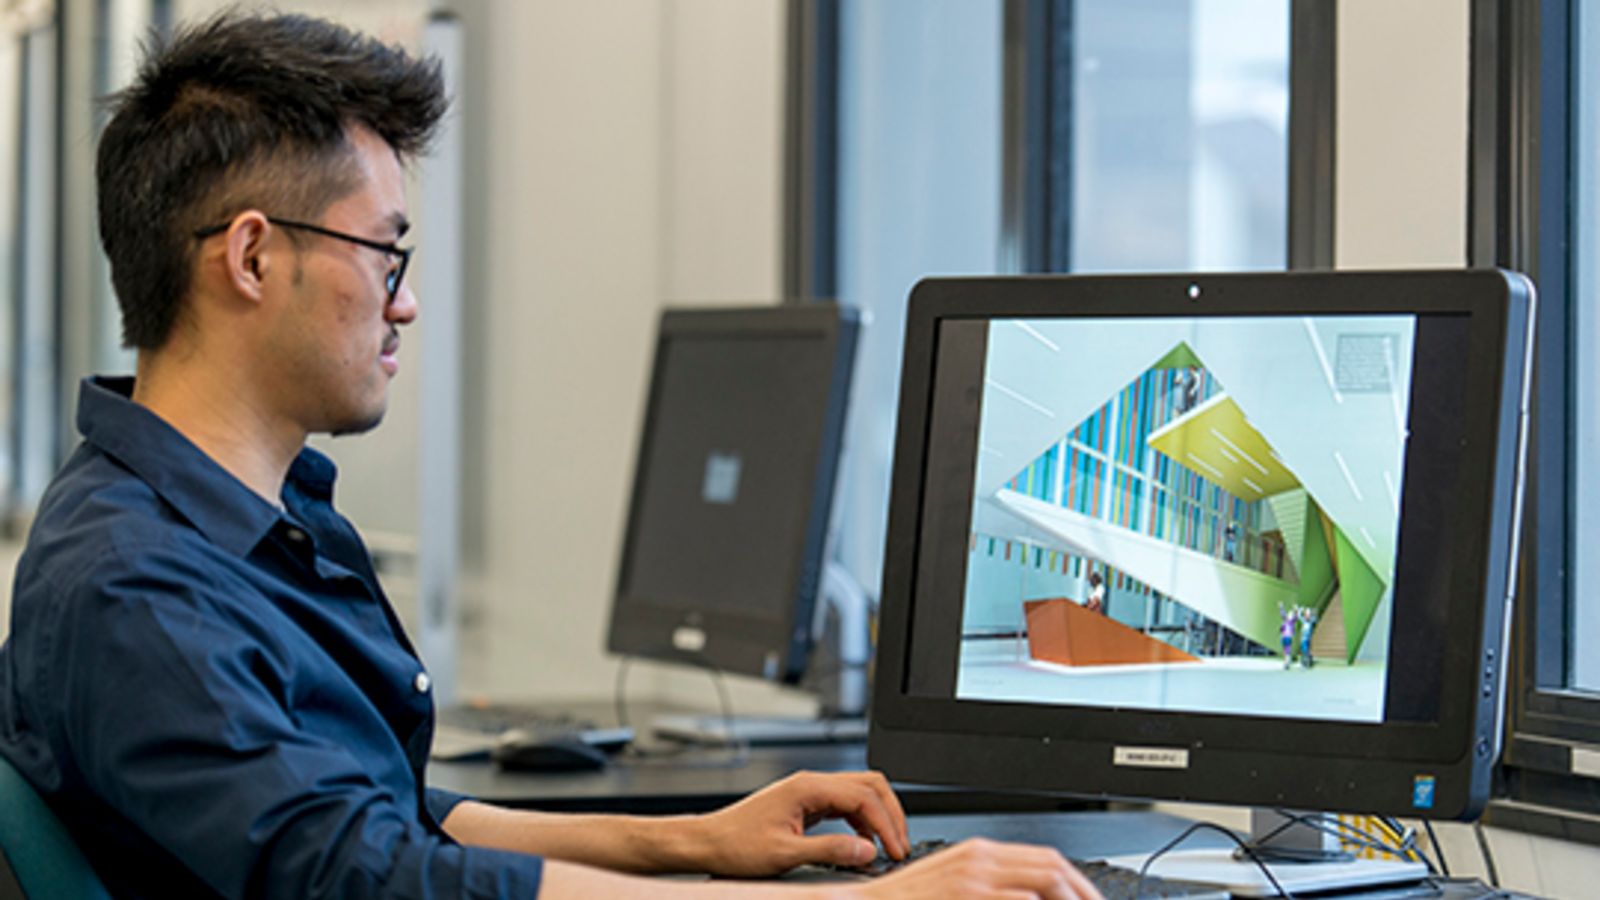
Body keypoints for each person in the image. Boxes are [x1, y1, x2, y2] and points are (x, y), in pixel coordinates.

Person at [0, 12, 1099, 900]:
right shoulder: (137, 585)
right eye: (385, 253)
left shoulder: (242, 519)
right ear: (251, 256)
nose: (408, 301)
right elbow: (360, 874)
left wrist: (698, 843)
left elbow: (379, 809)